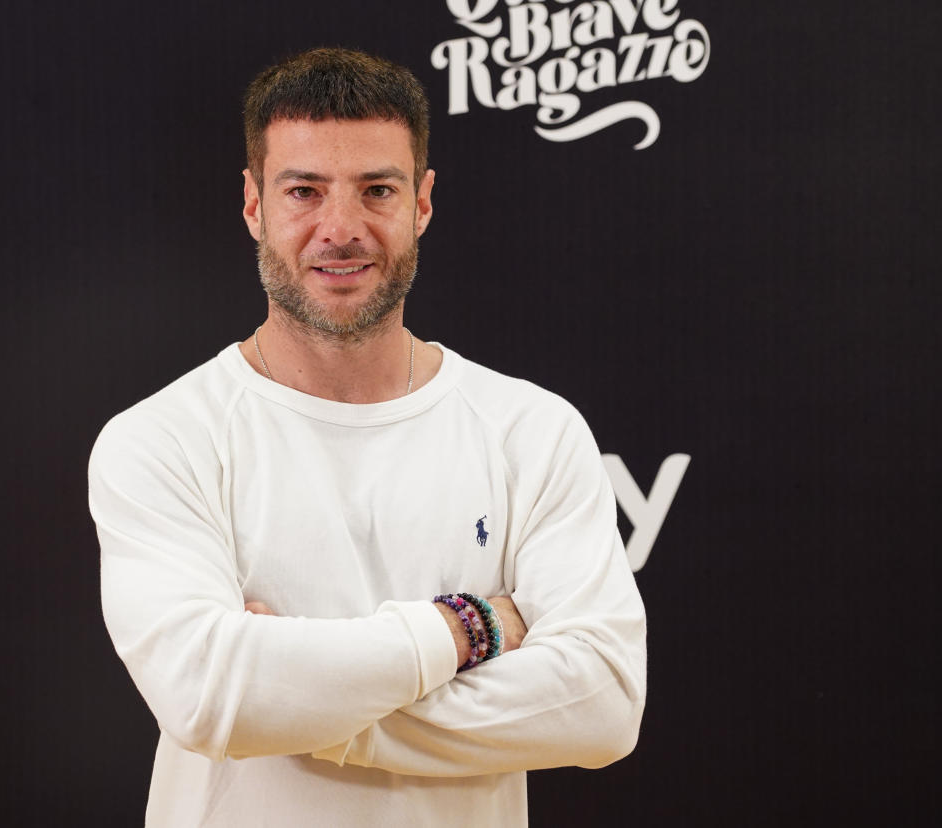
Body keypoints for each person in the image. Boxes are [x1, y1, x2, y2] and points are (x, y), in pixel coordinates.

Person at [88, 47, 646, 827]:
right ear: (254, 204)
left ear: (422, 203)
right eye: (304, 191)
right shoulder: (161, 440)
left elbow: (603, 703)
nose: (340, 228)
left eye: (376, 190)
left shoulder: (531, 431)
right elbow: (212, 699)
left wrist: (302, 704)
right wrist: (469, 626)